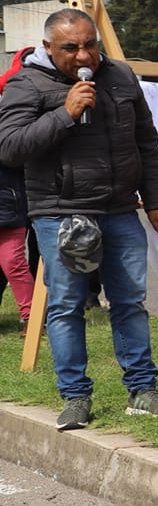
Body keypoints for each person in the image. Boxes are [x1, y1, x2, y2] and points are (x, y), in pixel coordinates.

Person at [0, 9, 158, 428]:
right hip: (60, 213)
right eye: (71, 47)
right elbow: (9, 148)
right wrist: (63, 113)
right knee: (65, 307)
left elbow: (146, 142)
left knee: (130, 302)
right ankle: (76, 396)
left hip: (118, 209)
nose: (84, 54)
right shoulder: (26, 83)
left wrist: (155, 200)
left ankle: (142, 389)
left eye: (90, 44)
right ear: (48, 48)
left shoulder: (119, 76)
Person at [0, 47, 38, 323]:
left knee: (13, 261)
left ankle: (32, 316)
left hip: (12, 202)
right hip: (12, 200)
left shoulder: (14, 121)